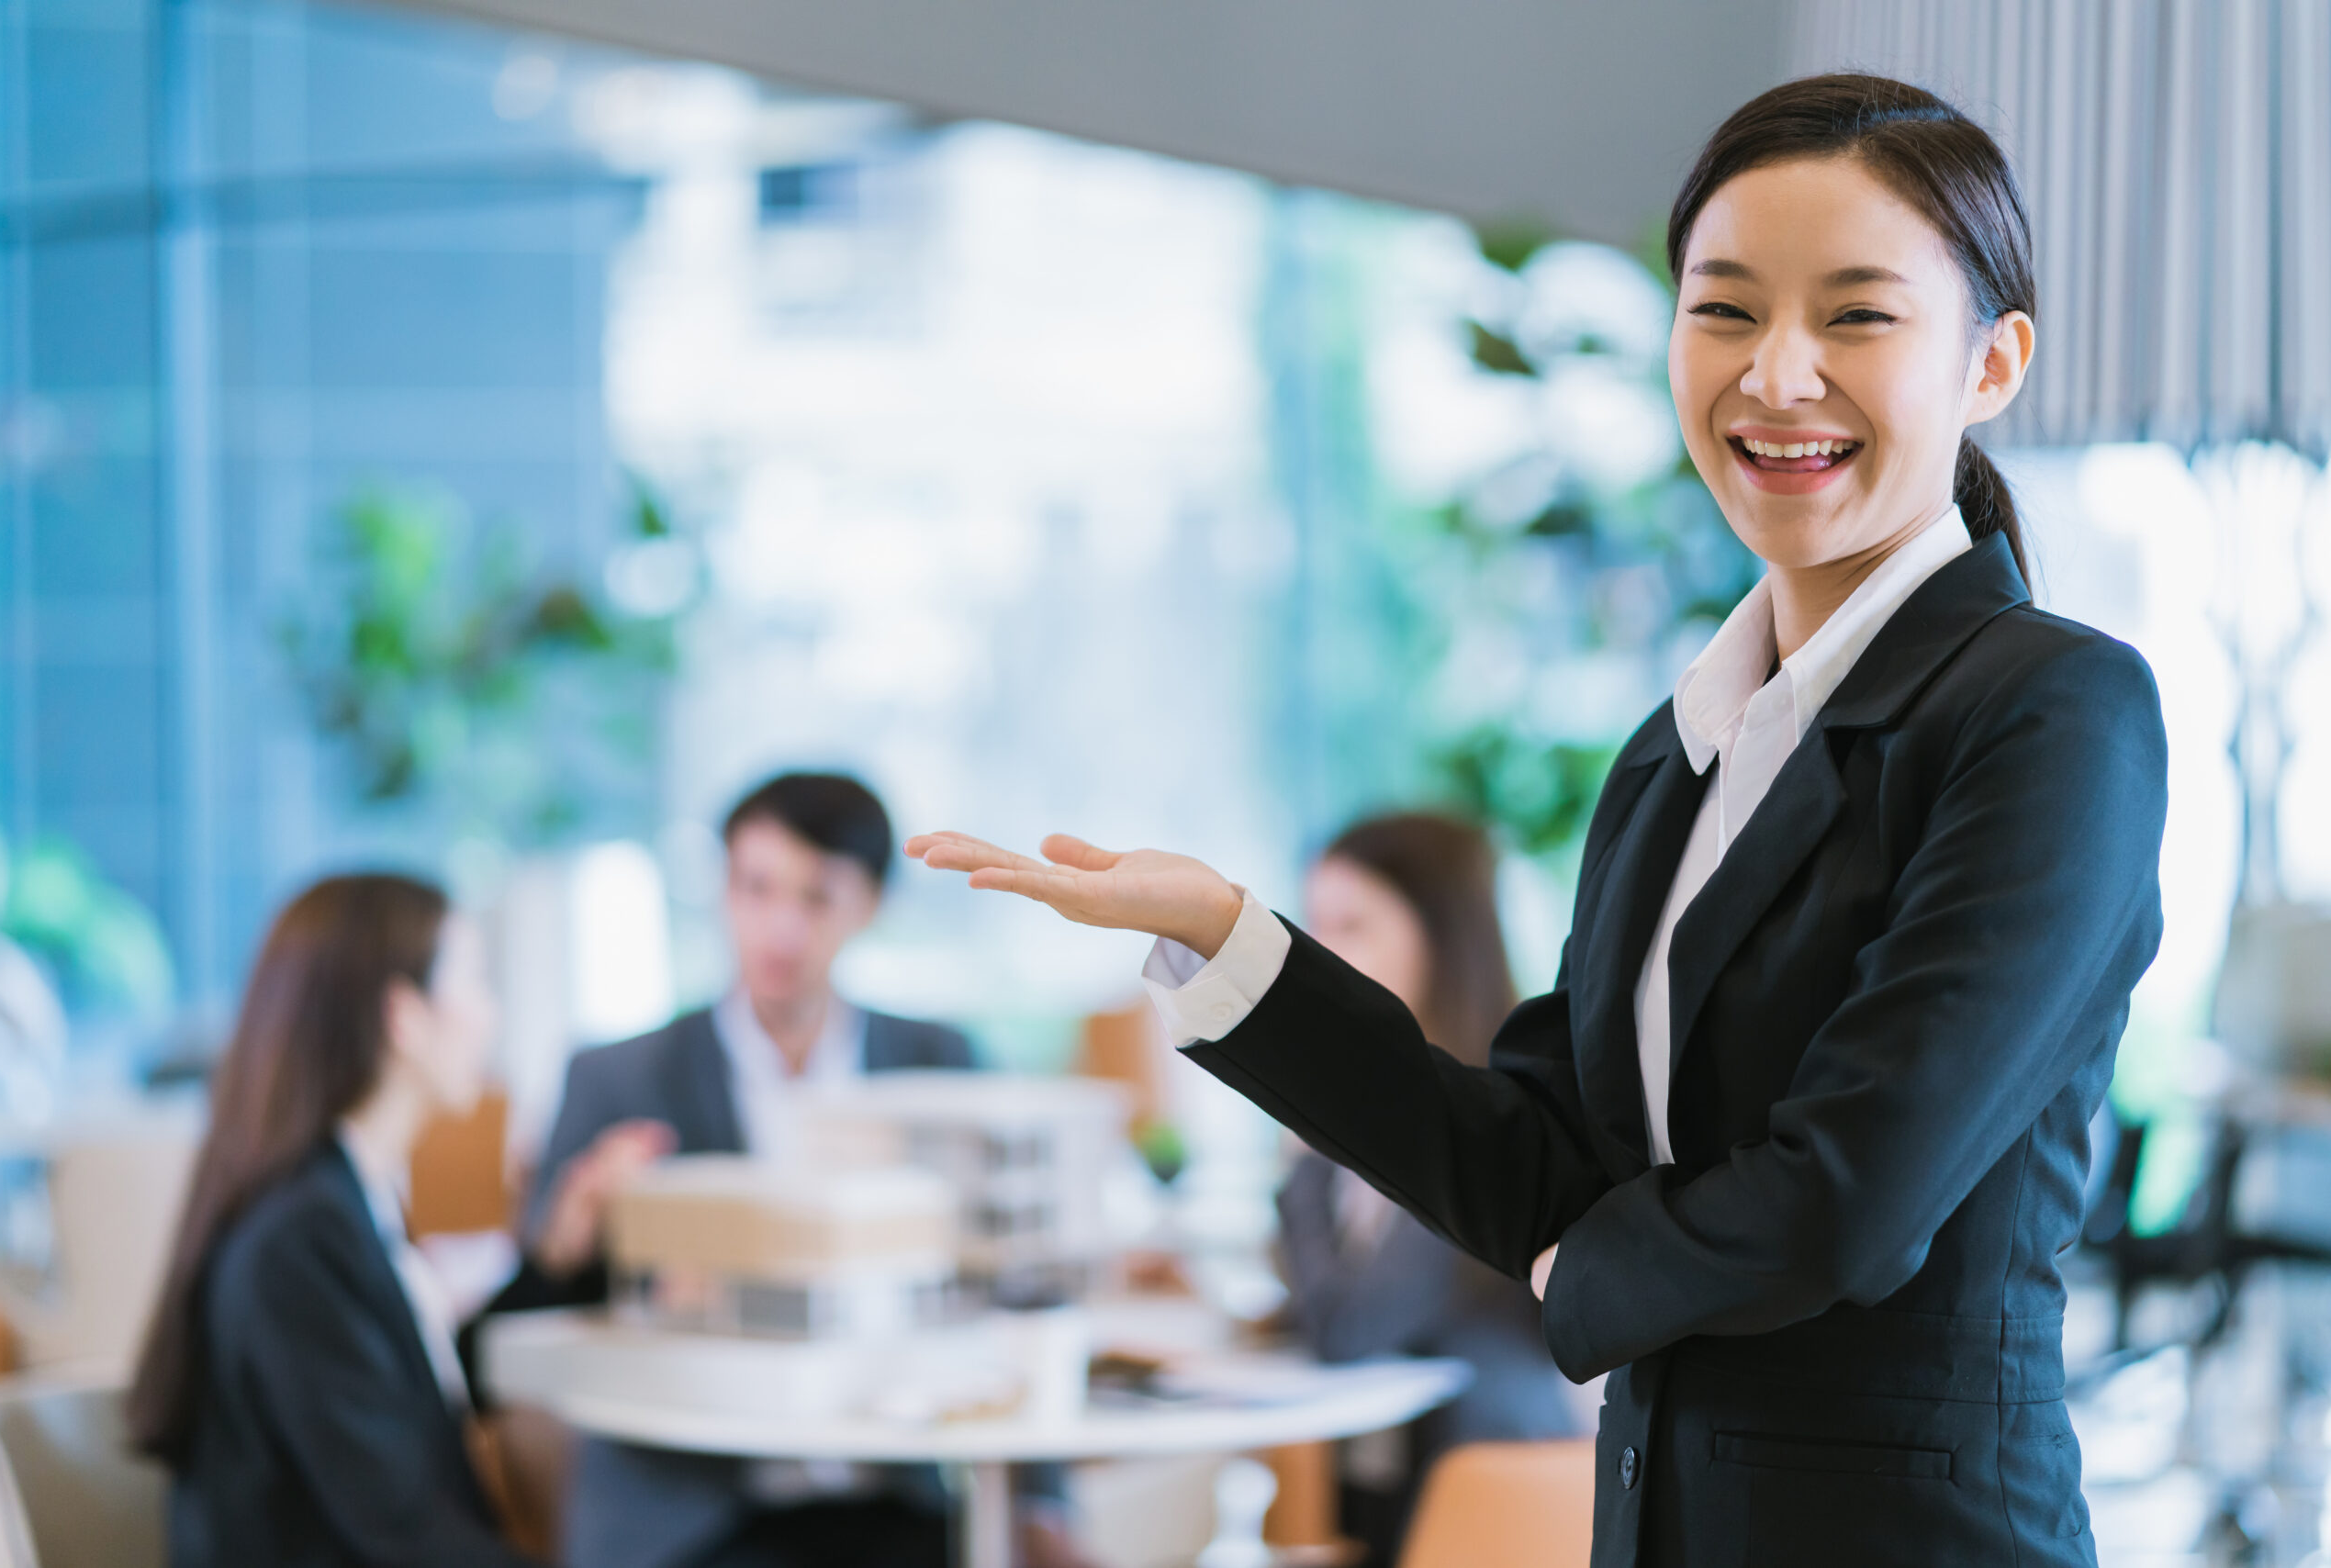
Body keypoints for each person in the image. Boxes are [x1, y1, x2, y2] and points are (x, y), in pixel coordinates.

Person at [908, 73, 2167, 1568]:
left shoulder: (2051, 709)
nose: (1775, 373)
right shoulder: (1674, 751)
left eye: (1857, 315)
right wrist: (1229, 939)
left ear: (1993, 362)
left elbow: (1856, 1190)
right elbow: (1532, 1156)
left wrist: (1577, 1262)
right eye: (1724, 309)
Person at [497, 771, 1048, 1568]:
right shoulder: (618, 1079)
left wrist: (1047, 1504)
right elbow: (544, 1299)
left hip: (891, 1493)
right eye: (755, 889)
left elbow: (1018, 1285)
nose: (780, 927)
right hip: (696, 1518)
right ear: (722, 891)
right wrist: (574, 1229)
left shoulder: (938, 1065)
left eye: (817, 898)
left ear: (870, 907)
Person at [128, 874, 536, 1568]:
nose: (490, 1015)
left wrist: (555, 1257)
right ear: (403, 1015)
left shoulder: (340, 1200)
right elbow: (404, 1535)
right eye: (473, 981)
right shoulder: (302, 1237)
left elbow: (403, 1383)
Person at [1280, 812, 1586, 1562]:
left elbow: (1347, 1327)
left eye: (1352, 924)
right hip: (1396, 1488)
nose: (1321, 953)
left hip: (1500, 1497)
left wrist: (1303, 1156)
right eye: (1312, 925)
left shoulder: (1491, 1112)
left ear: (1440, 938)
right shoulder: (1362, 1105)